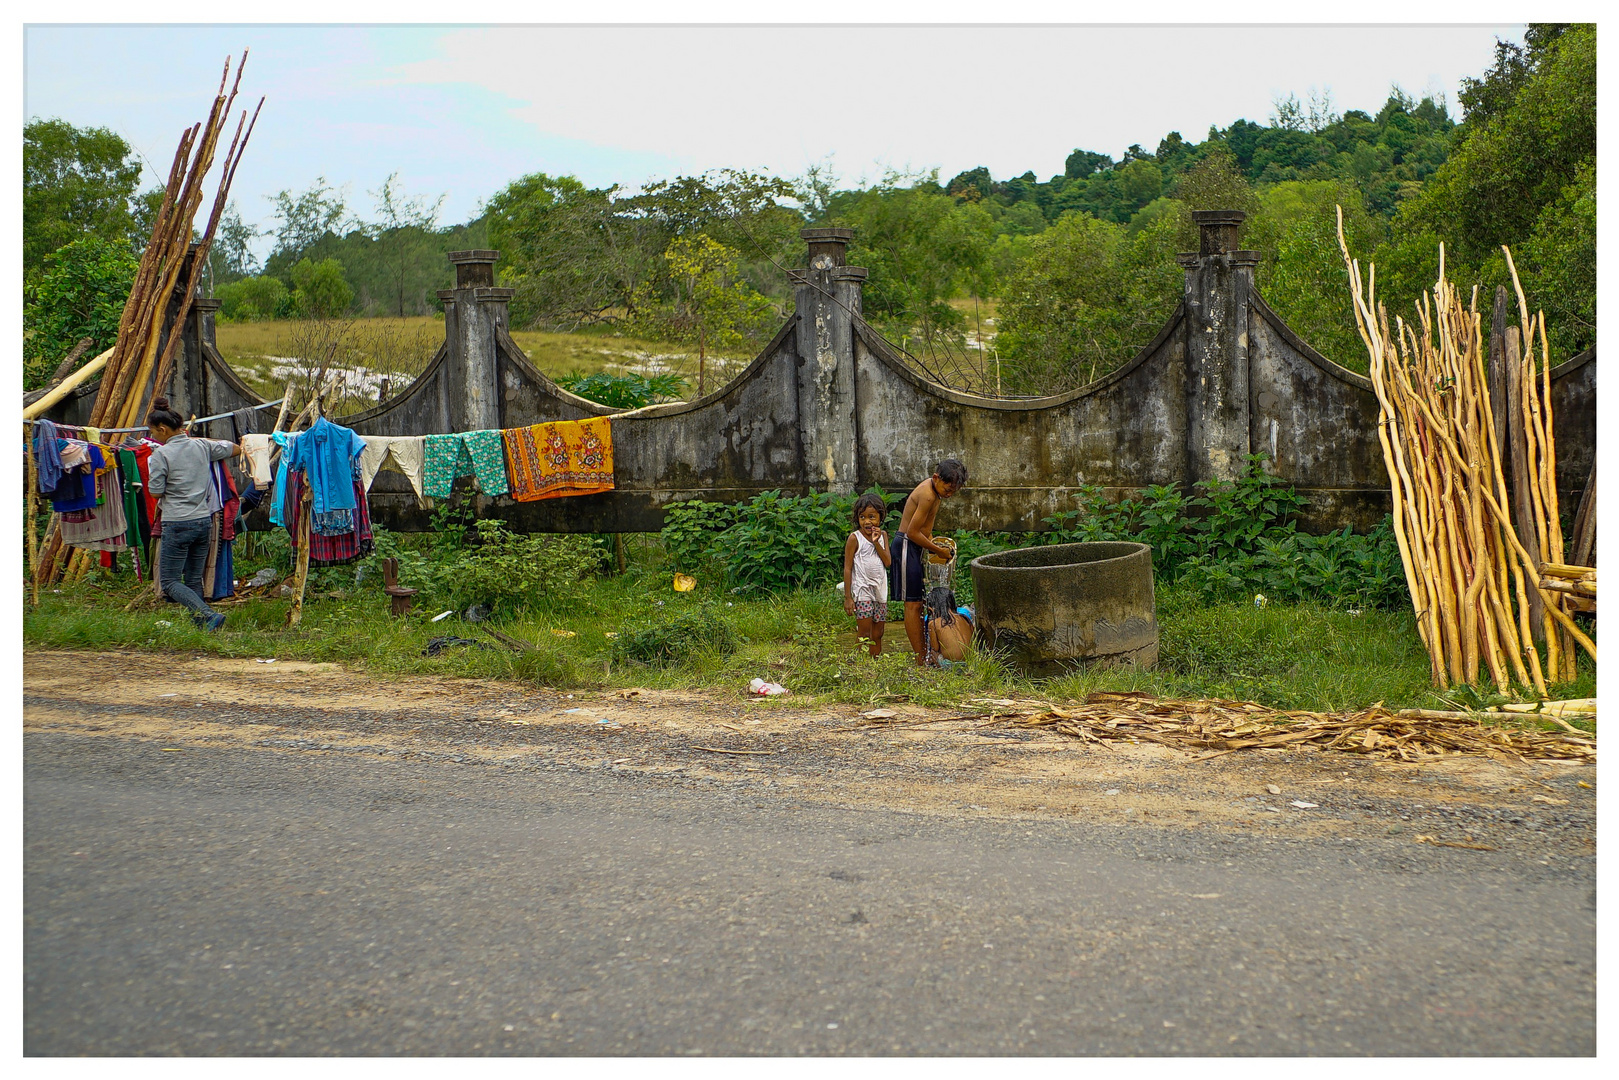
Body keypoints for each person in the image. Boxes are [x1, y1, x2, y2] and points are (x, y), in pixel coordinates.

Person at [145, 397, 244, 630]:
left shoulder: (161, 455)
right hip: (203, 521)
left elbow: (156, 492)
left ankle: (207, 615)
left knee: (169, 581)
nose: (153, 438)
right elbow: (236, 449)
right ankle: (200, 627)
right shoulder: (202, 446)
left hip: (177, 522)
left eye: (153, 433)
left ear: (163, 429)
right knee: (193, 579)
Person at [891, 459, 968, 666]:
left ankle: (926, 654)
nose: (949, 494)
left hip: (915, 546)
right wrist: (938, 550)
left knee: (921, 604)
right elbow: (912, 532)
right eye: (948, 488)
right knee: (913, 604)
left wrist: (934, 545)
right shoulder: (927, 494)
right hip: (907, 545)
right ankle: (920, 659)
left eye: (954, 491)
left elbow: (925, 530)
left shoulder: (936, 493)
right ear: (936, 478)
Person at [842, 492, 892, 656]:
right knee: (863, 633)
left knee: (878, 633)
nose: (867, 521)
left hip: (880, 590)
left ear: (880, 517)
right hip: (862, 590)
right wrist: (848, 597)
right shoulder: (854, 538)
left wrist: (876, 541)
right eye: (862, 517)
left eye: (872, 517)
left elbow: (887, 562)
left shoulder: (882, 536)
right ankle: (856, 664)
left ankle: (874, 664)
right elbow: (848, 568)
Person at [924, 587, 975, 667]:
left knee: (932, 653)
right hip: (972, 662)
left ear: (932, 607)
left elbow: (935, 648)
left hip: (950, 665)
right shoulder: (965, 618)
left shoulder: (934, 623)